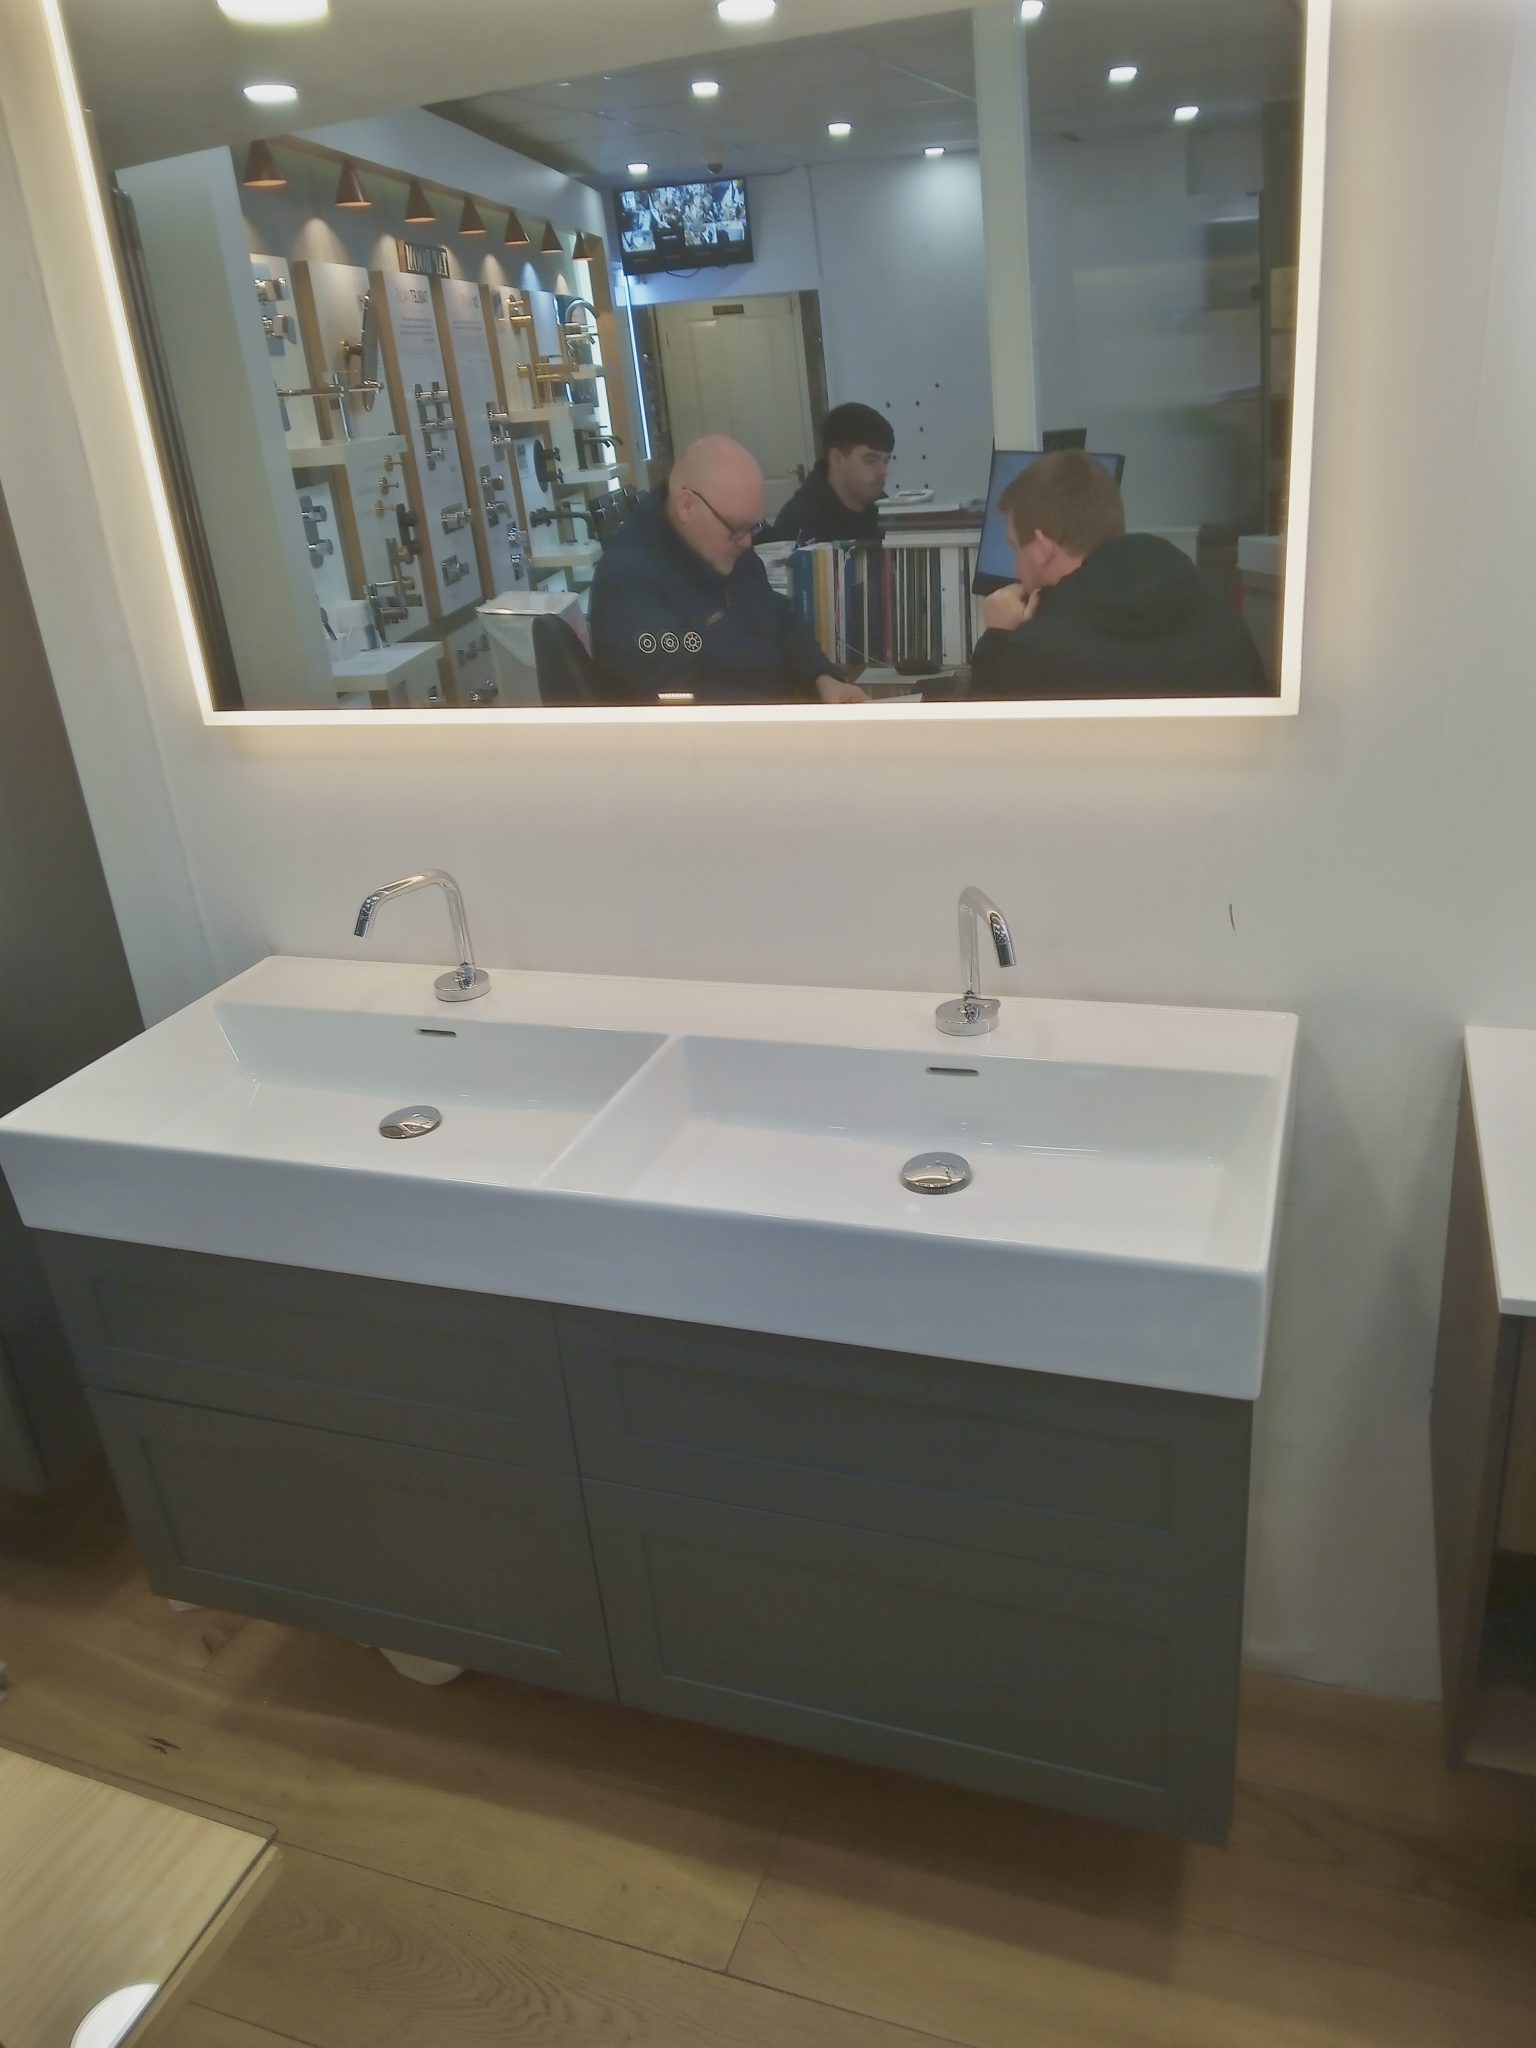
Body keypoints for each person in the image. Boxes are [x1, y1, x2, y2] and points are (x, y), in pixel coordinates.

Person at [965, 451, 1269, 699]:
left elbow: (980, 745)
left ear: (1043, 549)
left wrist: (998, 638)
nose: (1016, 570)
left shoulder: (1036, 654)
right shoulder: (1224, 623)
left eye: (1015, 547)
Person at [588, 436, 868, 705]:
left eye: (753, 527)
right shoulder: (629, 581)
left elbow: (777, 616)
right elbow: (684, 699)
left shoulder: (721, 543)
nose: (746, 542)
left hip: (772, 713)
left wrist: (821, 678)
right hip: (715, 731)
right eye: (736, 528)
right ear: (687, 505)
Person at [761, 402, 895, 547]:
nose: (882, 471)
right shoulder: (797, 523)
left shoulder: (889, 515)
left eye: (886, 461)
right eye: (871, 460)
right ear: (837, 458)